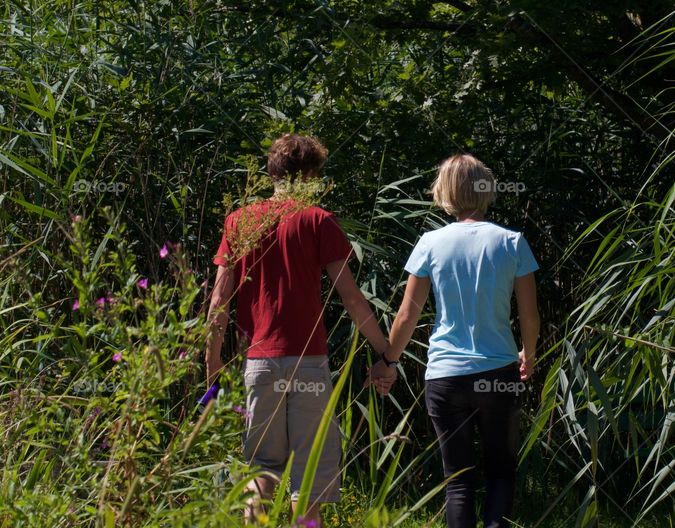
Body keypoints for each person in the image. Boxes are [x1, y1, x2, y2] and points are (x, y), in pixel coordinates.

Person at [205, 133, 396, 526]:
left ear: (272, 172)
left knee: (261, 467)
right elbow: (352, 299)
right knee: (307, 477)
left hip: (259, 363)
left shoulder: (239, 221)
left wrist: (212, 369)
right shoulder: (318, 221)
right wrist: (385, 352)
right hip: (308, 365)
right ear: (309, 174)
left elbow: (218, 305)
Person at [379, 154, 541, 528]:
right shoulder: (512, 242)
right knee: (501, 473)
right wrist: (527, 356)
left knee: (458, 482)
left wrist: (389, 361)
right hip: (498, 372)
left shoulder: (430, 243)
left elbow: (407, 315)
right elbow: (530, 315)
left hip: (445, 376)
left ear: (446, 191)